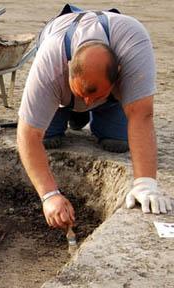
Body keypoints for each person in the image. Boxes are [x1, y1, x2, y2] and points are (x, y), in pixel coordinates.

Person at [17, 4, 172, 229]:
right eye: (82, 95)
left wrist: (145, 184)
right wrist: (49, 195)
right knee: (48, 139)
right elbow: (28, 135)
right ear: (67, 68)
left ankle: (97, 108)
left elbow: (142, 115)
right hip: (61, 97)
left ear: (119, 73)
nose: (88, 102)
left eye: (94, 96)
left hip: (109, 97)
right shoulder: (50, 62)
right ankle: (68, 110)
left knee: (117, 142)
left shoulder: (134, 43)